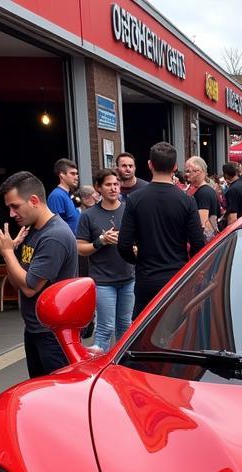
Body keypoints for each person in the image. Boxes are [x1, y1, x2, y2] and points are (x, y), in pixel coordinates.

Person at [0, 171, 78, 378]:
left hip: (52, 334)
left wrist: (6, 252)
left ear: (33, 200)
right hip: (35, 329)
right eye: (9, 208)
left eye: (15, 206)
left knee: (56, 394)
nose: (12, 214)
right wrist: (12, 252)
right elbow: (17, 281)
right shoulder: (32, 231)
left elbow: (30, 287)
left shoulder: (54, 236)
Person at [118, 141, 205, 318]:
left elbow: (124, 244)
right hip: (177, 278)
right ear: (175, 167)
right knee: (175, 331)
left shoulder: (135, 199)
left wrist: (139, 260)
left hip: (146, 278)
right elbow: (198, 243)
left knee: (142, 332)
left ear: (150, 165)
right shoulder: (187, 201)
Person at [76, 167, 134, 351]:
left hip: (128, 278)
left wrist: (135, 248)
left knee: (126, 327)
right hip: (103, 281)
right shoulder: (88, 216)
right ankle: (100, 368)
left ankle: (123, 369)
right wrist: (100, 241)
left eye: (116, 184)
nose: (113, 188)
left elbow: (141, 241)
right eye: (108, 184)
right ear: (98, 188)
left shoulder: (129, 211)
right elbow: (80, 248)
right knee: (105, 328)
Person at [185, 156, 220, 238]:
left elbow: (201, 224)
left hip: (204, 244)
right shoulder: (205, 190)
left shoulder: (204, 193)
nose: (186, 174)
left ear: (198, 171)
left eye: (188, 171)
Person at [47, 158, 80, 234]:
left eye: (76, 174)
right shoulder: (57, 196)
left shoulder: (68, 195)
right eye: (72, 174)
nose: (76, 177)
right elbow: (55, 227)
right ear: (62, 175)